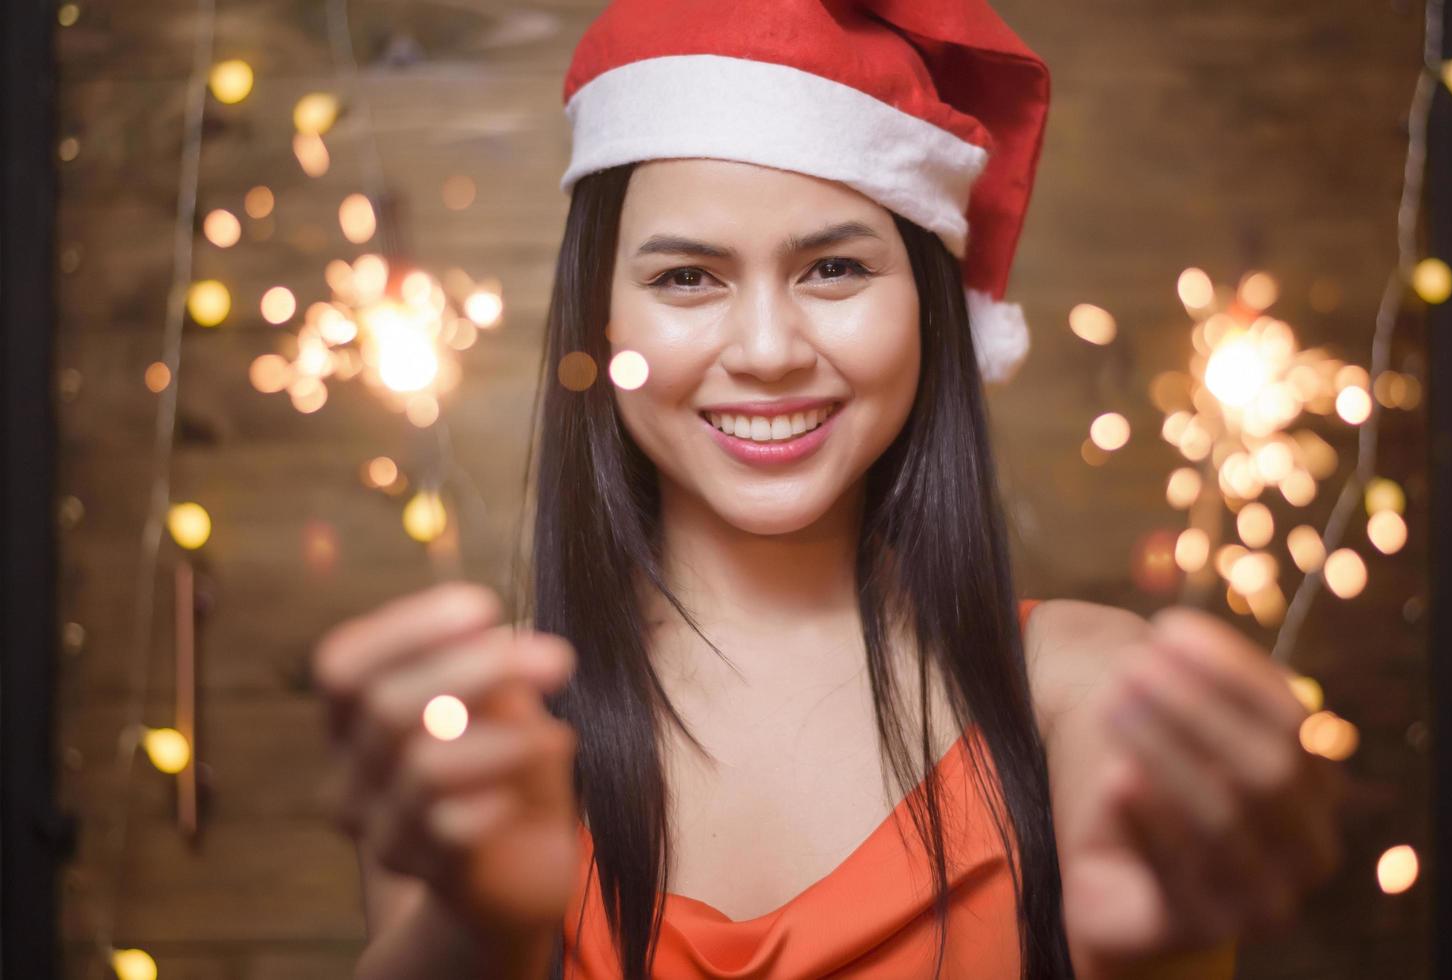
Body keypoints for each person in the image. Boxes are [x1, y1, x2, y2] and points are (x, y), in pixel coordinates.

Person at [310, 2, 1346, 978]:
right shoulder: (481, 740)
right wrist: (472, 928)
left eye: (833, 269)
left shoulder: (1091, 696)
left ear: (929, 307)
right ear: (602, 319)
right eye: (685, 278)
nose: (766, 351)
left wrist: (1157, 959)